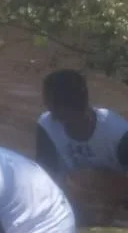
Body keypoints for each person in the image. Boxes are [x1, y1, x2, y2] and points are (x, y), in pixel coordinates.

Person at [37, 69, 128, 198]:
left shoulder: (118, 134)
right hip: (70, 194)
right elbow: (44, 174)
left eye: (49, 104)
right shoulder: (47, 126)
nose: (45, 106)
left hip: (116, 194)